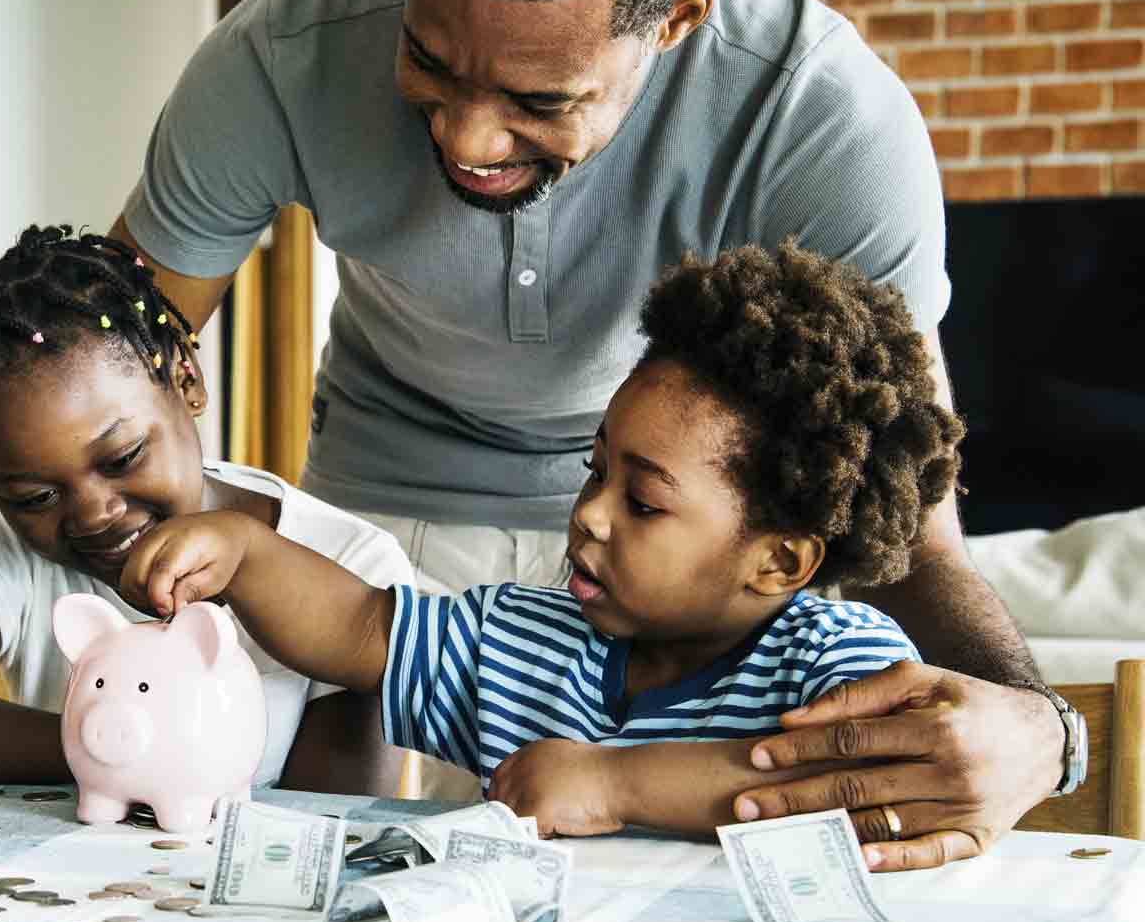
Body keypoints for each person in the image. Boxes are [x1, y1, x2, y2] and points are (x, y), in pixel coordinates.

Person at [0, 0, 1075, 870]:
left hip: (694, 537)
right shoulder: (281, 53)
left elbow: (914, 530)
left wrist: (1040, 729)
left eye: (540, 100)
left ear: (678, 18)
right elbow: (70, 372)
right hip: (385, 526)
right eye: (428, 60)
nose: (469, 137)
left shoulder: (821, 119)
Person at [119, 244, 964, 858]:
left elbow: (874, 781)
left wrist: (613, 783)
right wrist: (244, 552)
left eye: (643, 502)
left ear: (779, 562)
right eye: (595, 471)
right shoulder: (525, 639)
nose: (590, 515)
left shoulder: (837, 664)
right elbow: (361, 625)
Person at [0, 225, 408, 795]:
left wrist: (122, 745)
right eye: (35, 497)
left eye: (123, 457)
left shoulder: (352, 563)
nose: (93, 515)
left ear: (186, 379)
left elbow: (336, 818)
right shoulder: (5, 536)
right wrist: (99, 743)